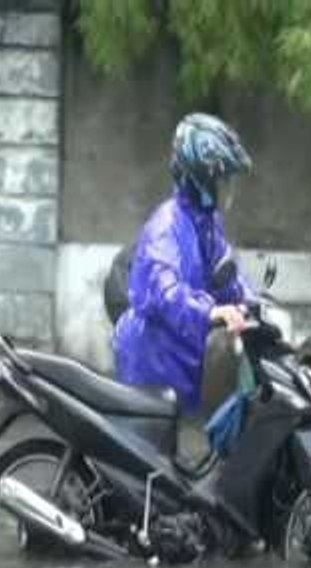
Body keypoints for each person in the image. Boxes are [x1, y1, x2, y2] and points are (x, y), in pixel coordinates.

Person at [113, 113, 255, 414]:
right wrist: (212, 311)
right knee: (154, 457)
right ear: (201, 180)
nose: (229, 188)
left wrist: (251, 303)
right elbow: (165, 292)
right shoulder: (167, 225)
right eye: (223, 179)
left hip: (180, 354)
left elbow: (224, 273)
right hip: (152, 359)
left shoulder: (206, 222)